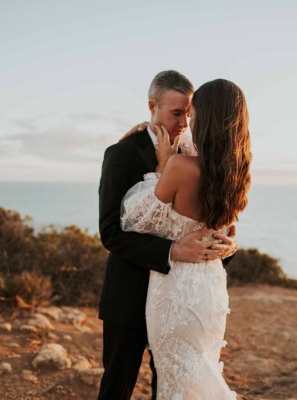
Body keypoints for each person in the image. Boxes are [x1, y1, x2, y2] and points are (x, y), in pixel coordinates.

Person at [97, 70, 237, 400]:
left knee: (172, 387)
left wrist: (228, 244)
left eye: (188, 114)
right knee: (117, 387)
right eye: (176, 114)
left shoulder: (197, 155)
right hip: (129, 296)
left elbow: (214, 221)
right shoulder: (121, 155)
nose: (183, 123)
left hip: (181, 299)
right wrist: (173, 251)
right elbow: (111, 234)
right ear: (152, 106)